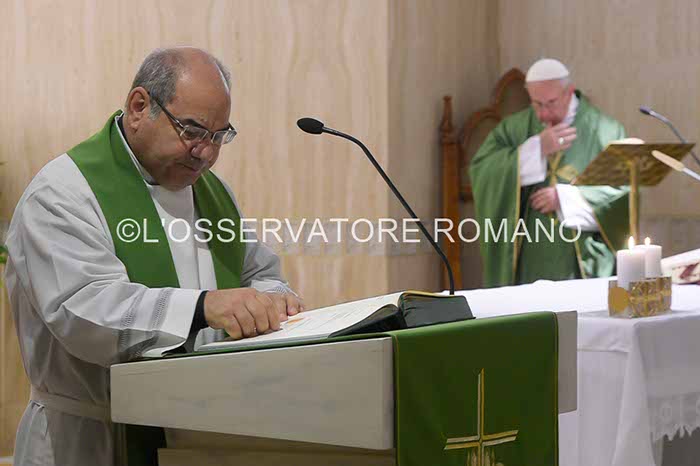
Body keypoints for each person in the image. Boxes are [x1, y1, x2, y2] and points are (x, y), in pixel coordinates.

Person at [5, 47, 303, 466]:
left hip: (194, 430)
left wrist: (273, 300)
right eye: (193, 130)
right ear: (139, 106)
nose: (206, 152)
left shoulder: (212, 193)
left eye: (219, 136)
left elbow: (259, 272)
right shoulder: (63, 193)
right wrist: (202, 308)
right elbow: (83, 313)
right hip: (86, 438)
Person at [470, 58, 629, 287]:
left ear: (569, 92)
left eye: (551, 103)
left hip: (582, 261)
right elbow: (482, 170)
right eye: (537, 104)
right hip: (527, 257)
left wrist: (564, 199)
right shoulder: (514, 128)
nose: (543, 114)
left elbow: (622, 194)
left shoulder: (606, 131)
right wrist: (536, 149)